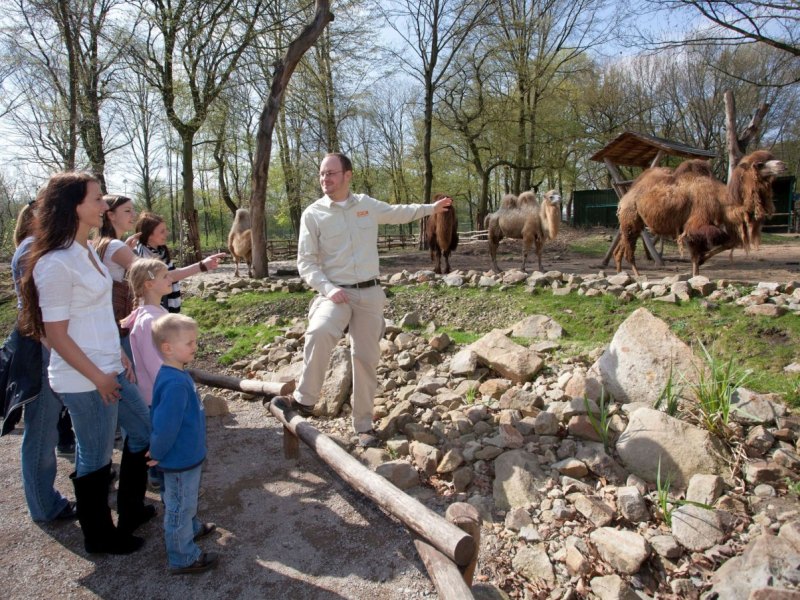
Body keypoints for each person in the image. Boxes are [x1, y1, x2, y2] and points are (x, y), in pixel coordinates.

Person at [18, 172, 154, 554]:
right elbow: (55, 334)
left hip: (108, 367)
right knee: (94, 454)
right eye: (96, 199)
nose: (103, 206)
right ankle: (99, 535)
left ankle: (130, 510)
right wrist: (98, 376)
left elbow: (96, 314)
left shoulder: (87, 252)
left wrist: (119, 354)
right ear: (74, 206)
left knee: (142, 428)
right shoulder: (55, 263)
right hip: (84, 378)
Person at [278, 152, 453, 448]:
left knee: (366, 359)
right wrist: (327, 287)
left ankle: (363, 426)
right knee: (319, 331)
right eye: (322, 174)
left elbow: (400, 212)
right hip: (334, 292)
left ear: (348, 175)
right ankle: (305, 399)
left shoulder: (367, 206)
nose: (325, 179)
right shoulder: (313, 214)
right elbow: (306, 263)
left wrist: (431, 208)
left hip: (370, 293)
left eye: (331, 173)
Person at [2, 199, 75, 523]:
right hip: (38, 348)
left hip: (42, 344)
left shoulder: (34, 248)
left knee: (46, 424)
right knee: (42, 427)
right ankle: (45, 505)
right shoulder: (32, 248)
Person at [147, 313, 218, 575]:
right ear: (168, 348)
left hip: (188, 455)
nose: (195, 347)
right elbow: (166, 426)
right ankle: (182, 556)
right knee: (179, 504)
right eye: (189, 343)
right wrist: (156, 451)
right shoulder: (175, 383)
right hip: (179, 458)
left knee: (184, 497)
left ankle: (191, 527)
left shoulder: (176, 373)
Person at [133, 212, 225, 313]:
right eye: (162, 231)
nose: (167, 233)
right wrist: (201, 266)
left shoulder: (160, 251)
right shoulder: (143, 254)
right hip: (156, 309)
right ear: (149, 235)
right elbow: (168, 276)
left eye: (166, 230)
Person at [94, 194, 140, 358]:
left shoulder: (101, 243)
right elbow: (149, 273)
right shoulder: (115, 245)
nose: (133, 215)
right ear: (111, 215)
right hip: (119, 322)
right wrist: (200, 266)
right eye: (127, 211)